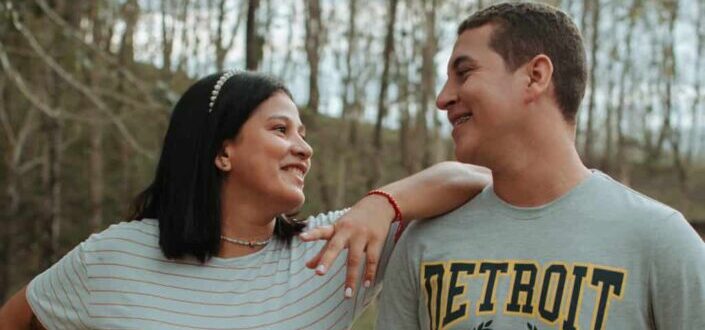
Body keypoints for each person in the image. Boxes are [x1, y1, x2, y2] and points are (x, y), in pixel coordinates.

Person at [0, 71, 490, 329]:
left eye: (303, 132)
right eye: (280, 130)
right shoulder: (114, 257)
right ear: (221, 151)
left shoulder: (328, 251)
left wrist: (381, 203)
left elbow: (471, 177)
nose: (304, 147)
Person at [376, 2, 705, 330]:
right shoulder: (423, 244)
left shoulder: (659, 241)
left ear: (535, 76)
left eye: (464, 73)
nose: (443, 97)